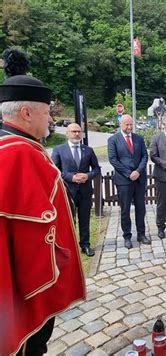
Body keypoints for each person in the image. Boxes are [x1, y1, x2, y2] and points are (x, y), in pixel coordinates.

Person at [0, 52, 85, 355]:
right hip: (23, 294)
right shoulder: (18, 154)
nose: (51, 119)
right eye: (46, 112)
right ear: (26, 112)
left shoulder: (22, 148)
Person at [51, 123, 100, 256]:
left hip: (85, 191)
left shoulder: (88, 150)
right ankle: (69, 246)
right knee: (68, 221)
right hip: (68, 191)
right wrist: (71, 177)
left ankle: (85, 245)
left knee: (84, 219)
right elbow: (55, 171)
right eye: (74, 131)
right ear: (67, 133)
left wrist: (87, 175)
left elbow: (97, 169)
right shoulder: (59, 150)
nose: (77, 134)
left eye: (79, 131)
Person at [108, 114, 150, 249]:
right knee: (125, 209)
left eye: (131, 124)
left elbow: (145, 156)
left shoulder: (139, 139)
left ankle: (141, 234)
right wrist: (128, 173)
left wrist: (138, 171)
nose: (130, 127)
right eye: (127, 124)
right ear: (121, 124)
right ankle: (127, 236)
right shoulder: (113, 140)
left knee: (141, 208)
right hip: (124, 180)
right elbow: (113, 160)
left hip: (139, 179)